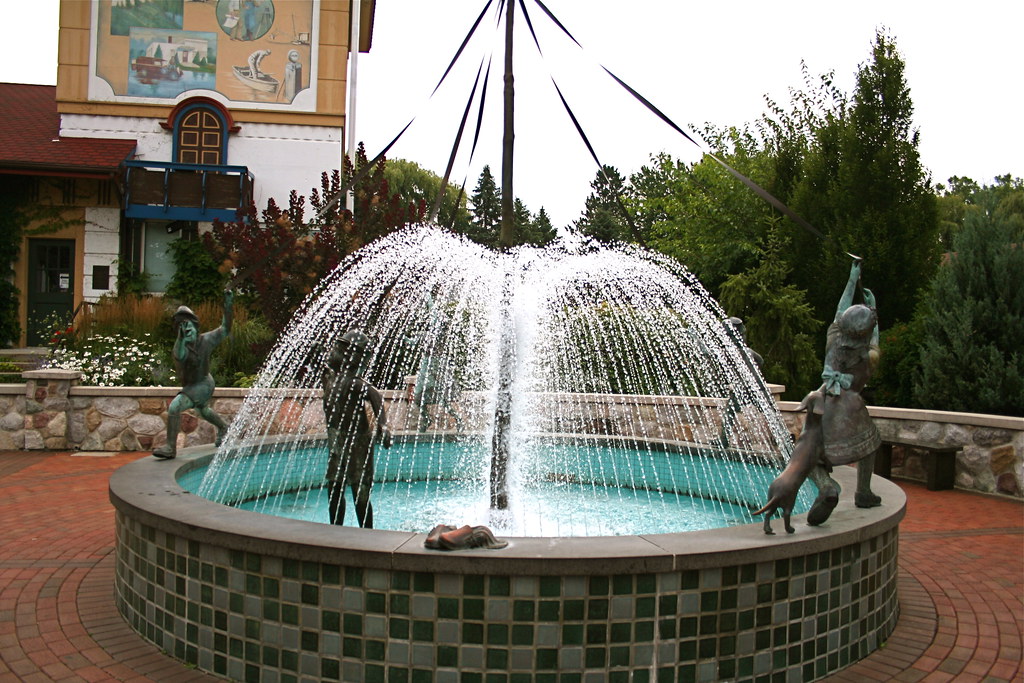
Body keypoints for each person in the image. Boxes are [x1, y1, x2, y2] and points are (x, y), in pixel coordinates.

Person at [806, 258, 882, 525]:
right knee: (870, 443)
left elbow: (841, 307)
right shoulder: (869, 353)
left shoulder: (834, 338)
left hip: (826, 402)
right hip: (853, 407)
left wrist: (852, 279)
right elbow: (873, 336)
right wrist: (873, 308)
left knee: (810, 453)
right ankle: (864, 491)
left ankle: (826, 485)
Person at [322, 331, 392, 528]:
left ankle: (366, 533)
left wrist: (383, 425)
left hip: (359, 441)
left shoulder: (355, 383)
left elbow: (375, 396)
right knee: (334, 487)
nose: (332, 351)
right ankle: (336, 529)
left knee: (360, 494)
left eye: (337, 348)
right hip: (336, 439)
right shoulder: (329, 377)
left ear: (350, 356)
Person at [153, 289, 233, 460]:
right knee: (203, 410)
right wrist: (182, 339)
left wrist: (228, 304)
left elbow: (226, 328)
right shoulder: (181, 346)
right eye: (182, 328)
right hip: (192, 385)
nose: (187, 329)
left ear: (196, 326)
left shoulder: (206, 340)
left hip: (203, 383)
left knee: (175, 407)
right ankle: (224, 427)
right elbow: (180, 355)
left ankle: (170, 448)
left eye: (189, 326)